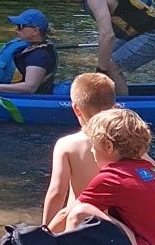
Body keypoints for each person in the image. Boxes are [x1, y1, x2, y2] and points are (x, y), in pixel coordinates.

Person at [63, 107, 155, 245]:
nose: (91, 151)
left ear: (108, 146)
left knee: (81, 211)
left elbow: (67, 214)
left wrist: (42, 241)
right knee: (100, 212)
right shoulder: (150, 169)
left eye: (93, 146)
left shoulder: (113, 176)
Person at [51, 0, 155, 96]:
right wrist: (101, 66)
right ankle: (115, 94)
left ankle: (120, 108)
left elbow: (107, 35)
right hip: (140, 31)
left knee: (111, 67)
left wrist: (101, 71)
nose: (68, 1)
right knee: (105, 58)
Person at [41, 71, 117, 227]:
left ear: (76, 109)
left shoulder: (67, 145)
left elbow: (57, 193)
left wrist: (45, 231)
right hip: (119, 227)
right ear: (114, 107)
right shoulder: (128, 141)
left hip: (82, 227)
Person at [0, 9, 59, 96]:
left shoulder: (40, 56)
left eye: (20, 26)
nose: (16, 29)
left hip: (29, 100)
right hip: (7, 91)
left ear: (35, 31)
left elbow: (30, 88)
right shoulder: (28, 46)